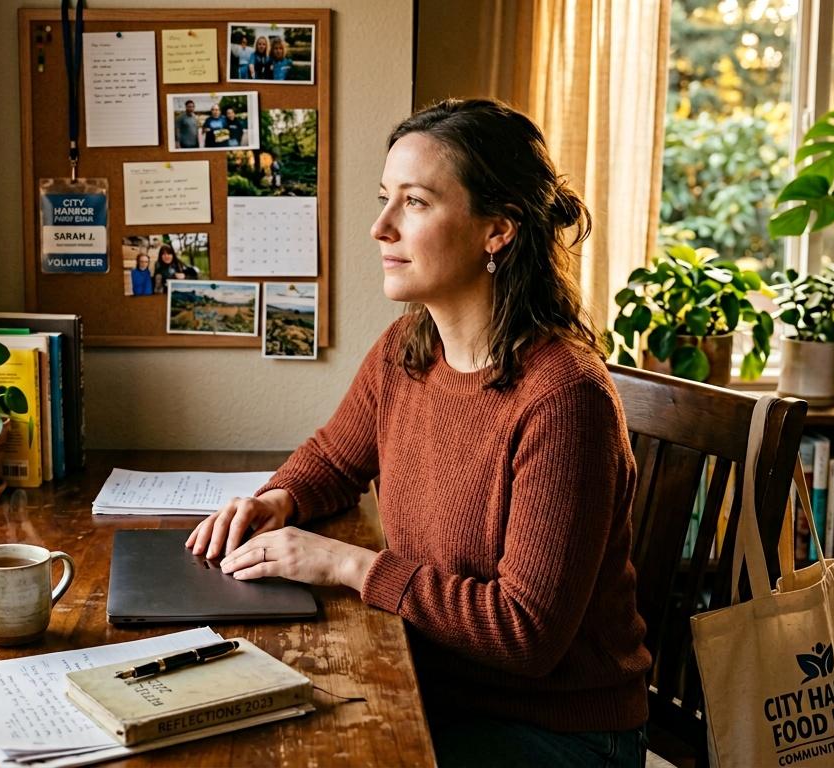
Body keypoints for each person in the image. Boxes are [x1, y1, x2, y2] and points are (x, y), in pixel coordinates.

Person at [186, 99, 650, 767]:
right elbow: (336, 459)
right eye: (385, 199)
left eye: (416, 202)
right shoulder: (410, 347)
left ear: (497, 230)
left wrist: (345, 564)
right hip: (435, 687)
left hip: (557, 732)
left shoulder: (564, 399)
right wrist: (276, 500)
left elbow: (526, 633)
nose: (380, 228)